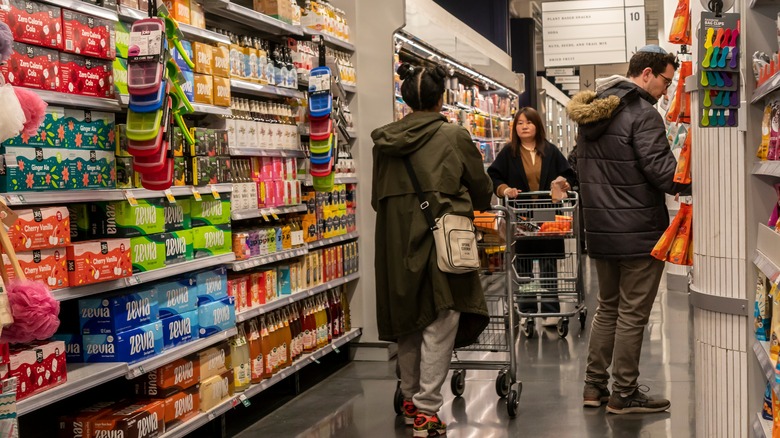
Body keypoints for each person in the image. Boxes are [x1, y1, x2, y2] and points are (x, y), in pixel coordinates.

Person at [566, 45, 690, 414]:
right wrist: (692, 176)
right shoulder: (641, 113)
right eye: (666, 82)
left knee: (607, 308)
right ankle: (623, 392)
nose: (666, 92)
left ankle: (593, 387)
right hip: (638, 230)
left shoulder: (593, 114)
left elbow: (579, 167)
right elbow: (663, 173)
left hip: (602, 231)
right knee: (633, 313)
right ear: (647, 73)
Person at [371, 63, 493, 437]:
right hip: (442, 235)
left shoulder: (384, 143)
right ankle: (426, 409)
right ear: (442, 98)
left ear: (406, 98)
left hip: (394, 241)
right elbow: (481, 188)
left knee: (408, 320)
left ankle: (410, 399)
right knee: (442, 320)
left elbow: (378, 199)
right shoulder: (454, 136)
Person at [487, 107, 576, 328]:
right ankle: (526, 309)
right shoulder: (509, 153)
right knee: (524, 266)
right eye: (519, 123)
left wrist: (563, 183)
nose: (524, 126)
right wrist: (505, 189)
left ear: (538, 126)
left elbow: (569, 174)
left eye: (529, 122)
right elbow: (494, 176)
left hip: (547, 216)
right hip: (521, 217)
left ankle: (550, 311)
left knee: (548, 265)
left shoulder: (550, 151)